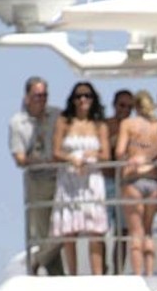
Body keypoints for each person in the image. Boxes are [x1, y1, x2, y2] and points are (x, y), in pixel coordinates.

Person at [51, 83, 110, 276]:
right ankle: (72, 275)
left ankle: (97, 274)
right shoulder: (64, 121)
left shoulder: (99, 125)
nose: (83, 100)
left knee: (95, 229)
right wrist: (72, 158)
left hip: (91, 178)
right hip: (69, 178)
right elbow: (56, 151)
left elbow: (106, 154)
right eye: (78, 96)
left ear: (93, 98)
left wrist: (90, 156)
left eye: (87, 96)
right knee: (70, 230)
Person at [8, 76, 63, 275]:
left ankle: (37, 261)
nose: (42, 99)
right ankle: (58, 276)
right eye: (38, 95)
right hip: (37, 181)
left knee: (64, 228)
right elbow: (19, 158)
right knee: (44, 233)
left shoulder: (57, 115)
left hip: (61, 178)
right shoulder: (17, 123)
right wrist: (43, 161)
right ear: (27, 97)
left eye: (44, 95)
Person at [116, 90, 157, 277]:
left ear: (135, 106)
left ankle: (137, 275)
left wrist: (131, 155)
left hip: (132, 179)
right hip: (153, 180)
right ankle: (149, 274)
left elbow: (119, 152)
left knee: (136, 232)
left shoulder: (128, 124)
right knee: (149, 231)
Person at [107, 88, 136, 273]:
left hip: (126, 183)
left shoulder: (134, 127)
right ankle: (103, 269)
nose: (125, 109)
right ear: (114, 105)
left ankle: (118, 270)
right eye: (121, 105)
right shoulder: (106, 125)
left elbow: (144, 146)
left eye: (129, 106)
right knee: (101, 230)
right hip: (107, 181)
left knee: (122, 232)